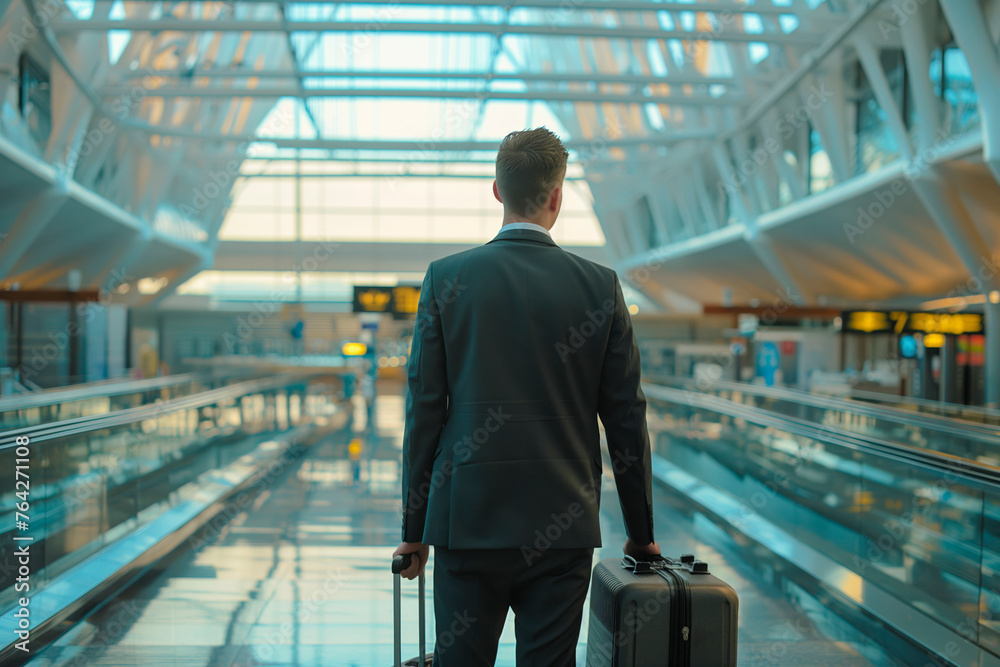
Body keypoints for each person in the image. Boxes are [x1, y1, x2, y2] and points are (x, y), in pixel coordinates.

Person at [393, 127, 660, 666]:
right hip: (561, 523)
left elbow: (424, 410)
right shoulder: (600, 286)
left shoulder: (446, 278)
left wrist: (413, 532)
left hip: (468, 520)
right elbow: (626, 418)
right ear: (557, 195)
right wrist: (641, 534)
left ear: (497, 190)